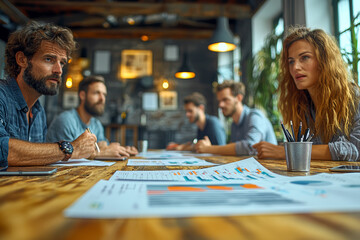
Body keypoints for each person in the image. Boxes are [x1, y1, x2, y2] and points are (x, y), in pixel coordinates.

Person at [253, 26, 360, 161]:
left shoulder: (353, 96)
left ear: (324, 61)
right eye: (291, 61)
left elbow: (355, 149)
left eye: (304, 57)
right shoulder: (301, 105)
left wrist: (286, 152)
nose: (295, 67)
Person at [0, 21, 97, 167]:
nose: (58, 70)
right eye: (49, 59)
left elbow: (35, 160)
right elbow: (3, 150)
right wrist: (70, 148)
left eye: (62, 63)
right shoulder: (2, 96)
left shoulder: (38, 111)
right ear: (22, 60)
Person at [46, 76, 138, 157]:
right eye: (96, 93)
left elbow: (104, 147)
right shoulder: (66, 121)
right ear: (82, 95)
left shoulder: (96, 124)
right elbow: (68, 156)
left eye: (104, 94)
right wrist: (100, 152)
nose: (102, 99)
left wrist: (123, 150)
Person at [195, 80, 277, 155]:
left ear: (239, 98)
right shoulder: (234, 124)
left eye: (225, 100)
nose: (220, 105)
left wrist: (209, 149)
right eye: (219, 101)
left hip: (269, 168)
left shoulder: (255, 116)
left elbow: (250, 146)